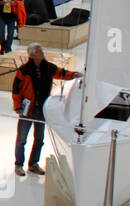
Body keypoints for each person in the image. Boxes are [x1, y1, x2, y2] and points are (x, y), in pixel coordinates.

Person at [11, 43, 82, 176]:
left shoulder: (48, 67)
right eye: (39, 51)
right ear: (32, 54)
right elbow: (16, 90)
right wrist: (18, 107)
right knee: (22, 139)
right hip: (27, 110)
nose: (42, 52)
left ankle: (33, 164)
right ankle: (18, 164)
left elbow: (61, 73)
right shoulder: (23, 70)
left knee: (39, 139)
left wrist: (74, 75)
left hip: (42, 110)